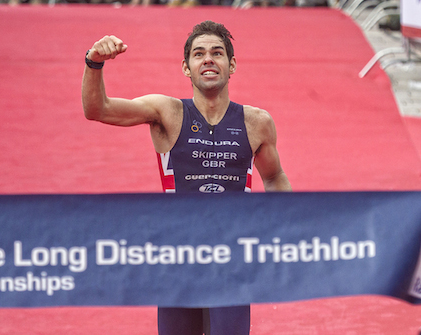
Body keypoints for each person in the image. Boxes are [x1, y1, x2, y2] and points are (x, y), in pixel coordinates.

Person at [82, 20, 292, 335]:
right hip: (177, 259)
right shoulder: (166, 112)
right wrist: (94, 62)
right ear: (186, 67)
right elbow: (98, 109)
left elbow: (274, 177)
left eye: (217, 53)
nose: (208, 59)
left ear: (231, 64)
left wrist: (290, 232)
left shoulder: (256, 122)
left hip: (231, 257)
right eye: (199, 54)